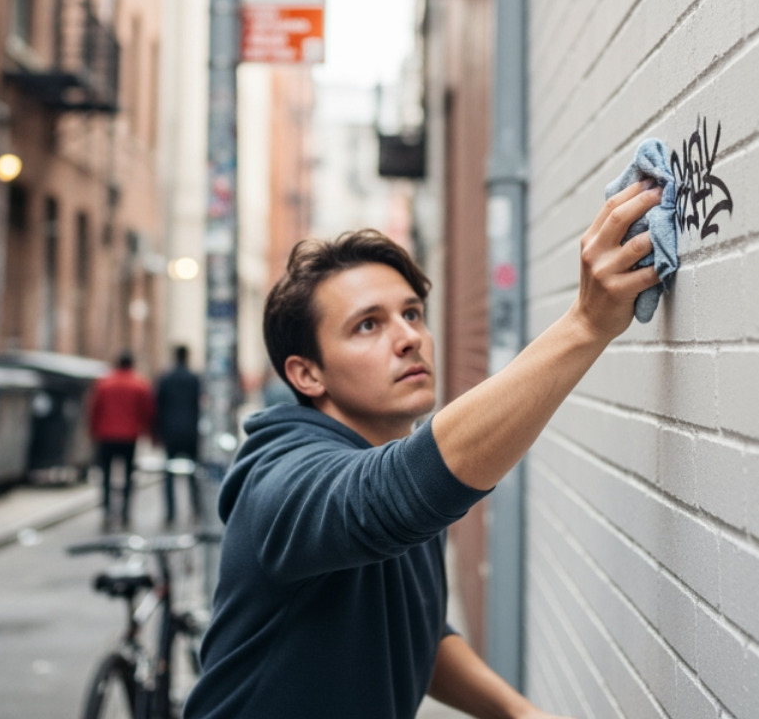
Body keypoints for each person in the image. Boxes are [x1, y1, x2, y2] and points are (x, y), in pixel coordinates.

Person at [184, 181, 664, 719]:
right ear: (307, 373)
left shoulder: (392, 462)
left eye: (411, 314)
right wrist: (586, 324)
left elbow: (419, 632)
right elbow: (392, 494)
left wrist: (518, 713)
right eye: (368, 325)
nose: (408, 337)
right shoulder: (280, 478)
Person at [88, 351, 155, 531]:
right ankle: (125, 514)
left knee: (106, 477)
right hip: (129, 437)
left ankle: (107, 514)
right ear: (131, 364)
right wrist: (148, 434)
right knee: (127, 477)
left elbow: (94, 409)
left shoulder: (104, 383)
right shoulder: (139, 384)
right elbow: (147, 411)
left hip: (106, 436)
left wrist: (93, 431)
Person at [155, 344, 203, 525]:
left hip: (170, 431)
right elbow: (199, 405)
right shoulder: (194, 379)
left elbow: (158, 406)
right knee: (193, 473)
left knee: (168, 474)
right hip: (191, 431)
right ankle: (196, 509)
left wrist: (157, 432)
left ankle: (170, 513)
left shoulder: (165, 379)